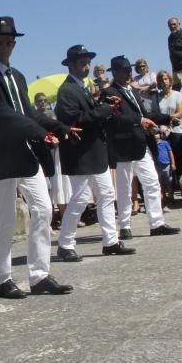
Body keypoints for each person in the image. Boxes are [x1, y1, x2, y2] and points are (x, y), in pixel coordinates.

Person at [0, 16, 74, 298]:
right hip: (2, 155)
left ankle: (40, 275)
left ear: (14, 44)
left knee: (43, 209)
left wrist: (58, 126)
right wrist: (36, 131)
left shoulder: (17, 76)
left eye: (9, 43)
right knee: (4, 220)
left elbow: (28, 111)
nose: (4, 47)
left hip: (24, 152)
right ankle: (2, 278)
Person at [54, 46, 135, 260]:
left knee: (107, 194)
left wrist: (102, 105)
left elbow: (87, 113)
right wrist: (105, 110)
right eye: (82, 62)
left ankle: (111, 241)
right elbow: (75, 119)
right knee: (80, 199)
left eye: (88, 62)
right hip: (80, 153)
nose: (87, 66)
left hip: (94, 151)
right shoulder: (67, 90)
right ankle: (65, 243)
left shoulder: (81, 87)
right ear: (71, 65)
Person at [101, 56, 180, 240]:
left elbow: (146, 114)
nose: (130, 73)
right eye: (126, 70)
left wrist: (166, 118)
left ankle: (157, 222)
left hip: (141, 143)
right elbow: (114, 118)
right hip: (124, 146)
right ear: (117, 73)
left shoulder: (133, 91)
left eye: (130, 70)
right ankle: (125, 226)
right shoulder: (110, 93)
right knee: (124, 188)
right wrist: (139, 121)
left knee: (152, 181)